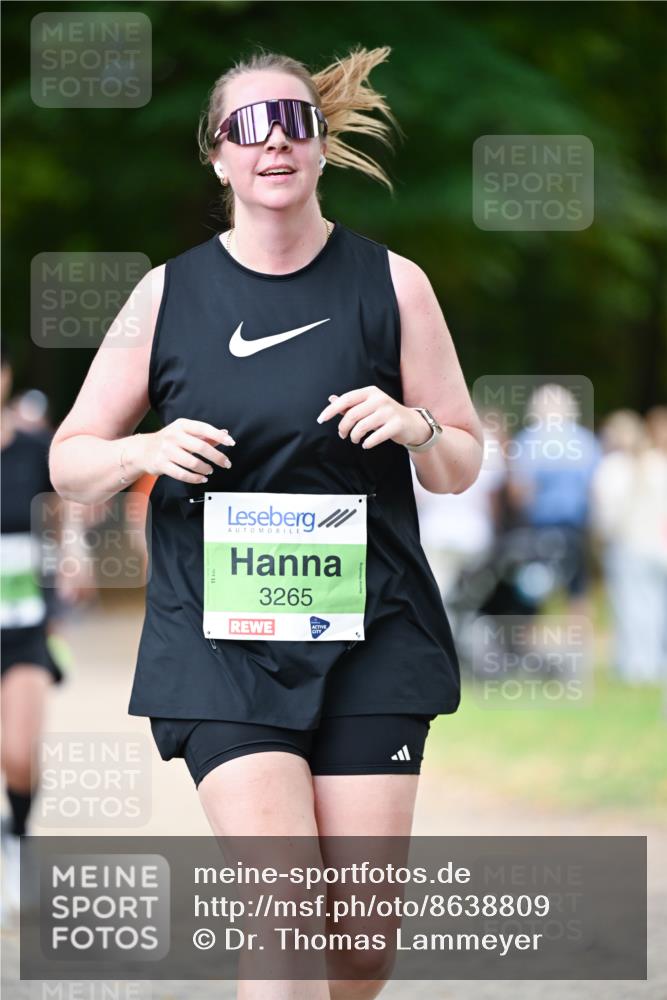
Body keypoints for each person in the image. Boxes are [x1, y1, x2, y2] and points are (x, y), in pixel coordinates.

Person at [49, 46, 483, 999]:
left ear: (321, 145)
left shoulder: (393, 284)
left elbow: (459, 462)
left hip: (372, 632)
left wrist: (413, 428)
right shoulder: (164, 296)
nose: (273, 141)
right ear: (216, 157)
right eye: (247, 126)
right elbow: (70, 461)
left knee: (359, 944)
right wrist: (140, 451)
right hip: (222, 642)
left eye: (293, 120)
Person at [591, 409, 667, 683]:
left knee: (631, 606)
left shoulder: (612, 468)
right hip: (658, 546)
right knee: (656, 607)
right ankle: (655, 662)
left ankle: (636, 664)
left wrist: (601, 541)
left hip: (628, 546)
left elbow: (606, 516)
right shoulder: (659, 464)